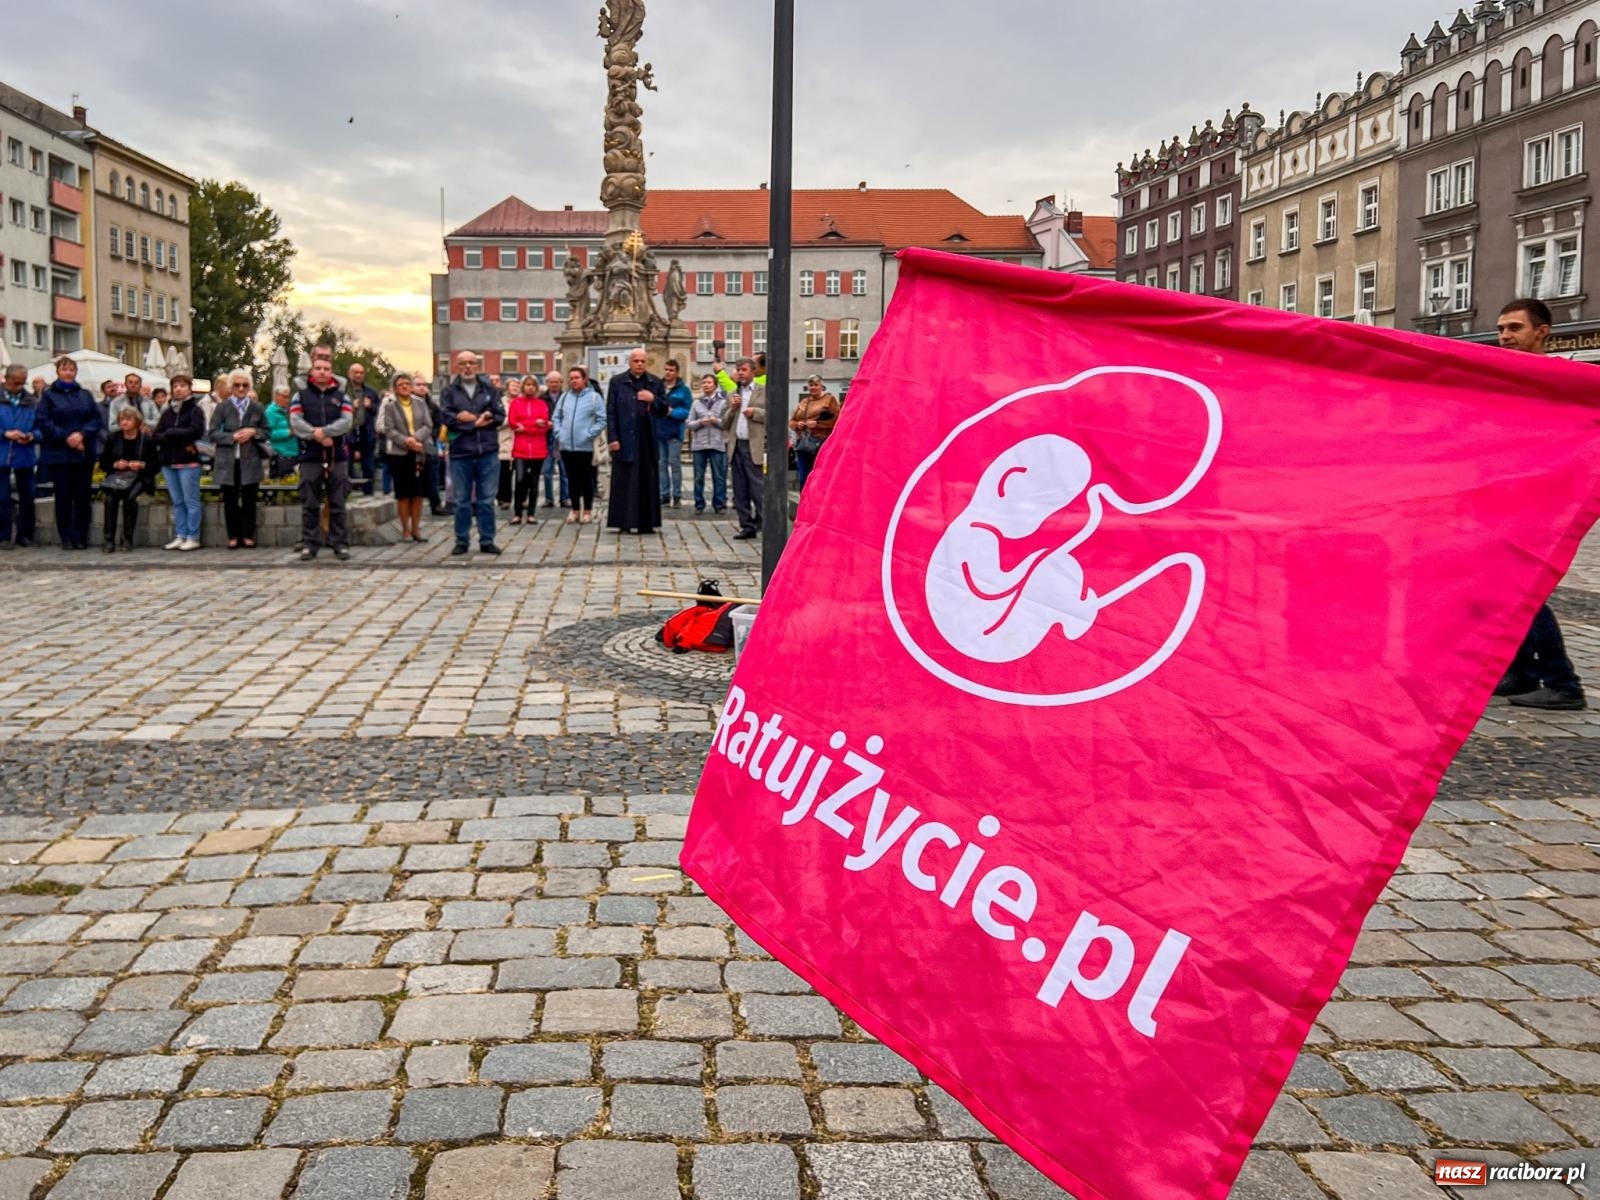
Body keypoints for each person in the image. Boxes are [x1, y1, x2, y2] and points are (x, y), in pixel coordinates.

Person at [1491, 298, 1588, 710]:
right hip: (1506, 501)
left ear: (1542, 332)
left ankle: (1563, 683)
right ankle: (1523, 672)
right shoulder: (1504, 378)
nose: (1505, 336)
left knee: (1524, 591)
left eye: (1514, 328)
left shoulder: (1564, 380)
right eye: (1501, 329)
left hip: (1542, 505)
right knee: (1502, 590)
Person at [439, 351, 505, 555]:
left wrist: (480, 417)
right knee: (462, 501)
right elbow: (446, 417)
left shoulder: (489, 389)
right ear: (456, 366)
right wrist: (472, 424)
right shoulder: (449, 391)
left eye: (471, 363)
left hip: (487, 452)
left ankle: (487, 540)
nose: (467, 367)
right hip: (461, 453)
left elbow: (500, 416)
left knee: (486, 501)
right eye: (463, 363)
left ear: (477, 365)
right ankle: (462, 540)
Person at [37, 356, 103, 551]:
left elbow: (96, 419)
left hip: (83, 453)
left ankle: (81, 536)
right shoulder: (49, 396)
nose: (68, 373)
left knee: (82, 496)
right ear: (58, 371)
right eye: (64, 369)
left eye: (71, 369)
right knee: (63, 497)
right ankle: (66, 536)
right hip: (60, 454)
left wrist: (82, 434)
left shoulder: (85, 395)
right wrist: (66, 437)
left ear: (76, 372)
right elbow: (44, 421)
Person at [290, 360, 353, 561]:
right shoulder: (300, 395)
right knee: (309, 503)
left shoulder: (342, 396)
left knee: (338, 502)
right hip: (310, 456)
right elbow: (295, 422)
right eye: (318, 368)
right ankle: (309, 544)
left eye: (326, 369)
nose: (322, 372)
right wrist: (315, 434)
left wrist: (326, 432)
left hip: (336, 456)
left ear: (332, 372)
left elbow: (347, 422)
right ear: (312, 371)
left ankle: (339, 543)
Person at [606, 348, 668, 534]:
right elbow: (611, 412)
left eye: (642, 361)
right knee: (625, 480)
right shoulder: (617, 382)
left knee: (646, 480)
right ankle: (624, 521)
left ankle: (646, 523)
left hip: (647, 438)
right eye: (636, 361)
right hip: (625, 438)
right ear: (630, 362)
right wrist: (613, 438)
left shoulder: (655, 382)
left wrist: (653, 399)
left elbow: (664, 409)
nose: (639, 364)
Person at [210, 370, 269, 549]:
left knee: (250, 498)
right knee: (230, 498)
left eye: (245, 385)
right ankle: (233, 535)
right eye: (237, 385)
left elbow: (267, 431)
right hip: (228, 460)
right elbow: (212, 433)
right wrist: (232, 437)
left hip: (250, 458)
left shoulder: (257, 407)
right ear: (231, 387)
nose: (241, 388)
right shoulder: (223, 407)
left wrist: (253, 432)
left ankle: (248, 535)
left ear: (250, 386)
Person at [376, 372, 435, 543]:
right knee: (403, 494)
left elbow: (428, 425)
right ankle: (405, 530)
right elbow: (389, 429)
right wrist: (406, 441)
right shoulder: (390, 406)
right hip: (399, 453)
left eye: (407, 383)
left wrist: (415, 439)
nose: (404, 386)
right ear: (395, 388)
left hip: (419, 451)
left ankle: (416, 529)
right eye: (400, 384)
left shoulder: (420, 403)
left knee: (418, 493)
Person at [153, 374, 207, 551]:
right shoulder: (168, 412)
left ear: (189, 388)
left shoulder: (195, 410)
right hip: (169, 461)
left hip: (188, 461)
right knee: (177, 501)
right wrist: (172, 435)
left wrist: (172, 433)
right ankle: (180, 535)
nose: (178, 389)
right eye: (175, 386)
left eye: (182, 385)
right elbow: (157, 435)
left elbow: (195, 431)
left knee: (191, 501)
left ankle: (193, 536)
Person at [98, 406, 157, 552]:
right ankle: (109, 539)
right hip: (117, 478)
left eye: (128, 419)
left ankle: (127, 538)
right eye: (122, 419)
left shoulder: (146, 440)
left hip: (139, 478)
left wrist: (142, 465)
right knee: (110, 499)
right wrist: (115, 464)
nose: (124, 422)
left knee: (130, 498)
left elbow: (156, 465)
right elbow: (103, 463)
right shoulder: (113, 438)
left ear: (136, 421)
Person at [720, 357, 766, 540]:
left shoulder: (763, 391)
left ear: (753, 371)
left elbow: (774, 414)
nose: (740, 373)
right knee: (739, 490)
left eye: (744, 370)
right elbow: (724, 423)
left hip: (754, 446)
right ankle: (746, 526)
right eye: (738, 370)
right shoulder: (732, 394)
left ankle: (765, 523)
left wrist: (755, 412)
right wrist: (732, 409)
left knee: (757, 488)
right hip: (736, 446)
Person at [554, 365, 605, 525]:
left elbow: (601, 419)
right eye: (571, 378)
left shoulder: (594, 397)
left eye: (577, 378)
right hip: (567, 446)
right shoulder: (564, 397)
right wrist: (559, 433)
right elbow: (556, 417)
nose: (574, 381)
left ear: (584, 379)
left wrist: (589, 434)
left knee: (586, 479)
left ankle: (588, 510)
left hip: (586, 447)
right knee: (572, 479)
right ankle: (575, 510)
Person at [0, 364, 38, 548]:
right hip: (2, 453)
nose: (19, 387)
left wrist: (32, 436)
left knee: (28, 497)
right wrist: (4, 433)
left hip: (25, 453)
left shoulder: (31, 400)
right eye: (16, 383)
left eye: (22, 383)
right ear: (6, 379)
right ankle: (3, 536)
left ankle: (25, 535)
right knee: (2, 498)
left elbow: (41, 427)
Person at [508, 376, 551, 525]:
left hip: (538, 448)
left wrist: (525, 426)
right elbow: (513, 423)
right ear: (523, 387)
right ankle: (517, 512)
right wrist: (533, 424)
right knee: (520, 480)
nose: (530, 387)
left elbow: (544, 425)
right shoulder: (515, 403)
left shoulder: (541, 404)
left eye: (533, 385)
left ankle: (531, 513)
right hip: (521, 449)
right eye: (527, 384)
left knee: (534, 481)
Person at [789, 373, 840, 491]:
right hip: (803, 443)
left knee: (819, 476)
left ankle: (818, 500)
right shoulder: (804, 401)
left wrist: (817, 424)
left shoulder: (829, 399)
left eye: (816, 385)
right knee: (803, 477)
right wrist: (797, 424)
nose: (813, 387)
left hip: (821, 443)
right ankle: (804, 500)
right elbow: (792, 421)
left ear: (822, 386)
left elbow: (837, 420)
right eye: (811, 385)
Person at [688, 372, 728, 515]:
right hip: (699, 445)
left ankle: (719, 504)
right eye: (704, 383)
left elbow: (727, 423)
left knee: (719, 477)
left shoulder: (723, 402)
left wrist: (715, 421)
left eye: (709, 382)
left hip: (717, 444)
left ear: (715, 385)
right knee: (698, 477)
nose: (706, 385)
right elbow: (689, 423)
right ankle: (699, 504)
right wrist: (700, 422)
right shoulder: (696, 403)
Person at [657, 358, 691, 509]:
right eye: (666, 370)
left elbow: (687, 411)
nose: (668, 373)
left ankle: (677, 495)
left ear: (677, 372)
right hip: (660, 431)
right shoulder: (659, 387)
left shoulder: (684, 390)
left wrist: (672, 412)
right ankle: (664, 494)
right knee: (661, 464)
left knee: (675, 464)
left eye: (671, 370)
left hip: (675, 432)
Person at [540, 369, 568, 508]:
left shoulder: (567, 397)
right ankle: (549, 499)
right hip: (546, 438)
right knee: (547, 471)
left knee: (565, 471)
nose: (554, 384)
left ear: (561, 383)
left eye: (557, 382)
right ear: (547, 383)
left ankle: (565, 498)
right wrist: (545, 423)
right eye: (552, 382)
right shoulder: (541, 399)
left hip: (563, 439)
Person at [264, 385, 299, 476]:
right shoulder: (270, 412)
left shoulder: (291, 410)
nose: (287, 400)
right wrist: (288, 432)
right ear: (276, 396)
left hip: (295, 453)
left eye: (289, 397)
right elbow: (267, 433)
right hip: (280, 455)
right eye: (284, 397)